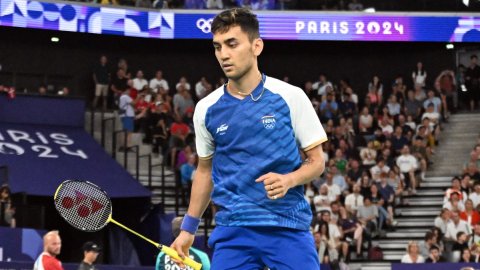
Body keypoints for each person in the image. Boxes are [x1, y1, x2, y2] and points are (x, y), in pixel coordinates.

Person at [170, 8, 327, 269]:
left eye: (232, 44)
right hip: (234, 232)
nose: (224, 55)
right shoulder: (207, 109)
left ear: (257, 46)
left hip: (287, 226)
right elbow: (205, 171)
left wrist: (289, 179)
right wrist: (188, 228)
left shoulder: (290, 96)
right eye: (218, 47)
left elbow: (317, 161)